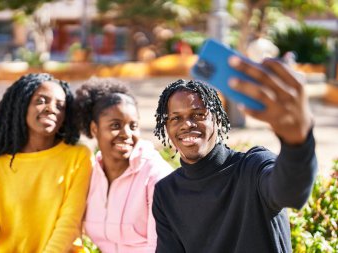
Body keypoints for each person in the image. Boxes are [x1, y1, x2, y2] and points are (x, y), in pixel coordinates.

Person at [152, 56, 317, 252]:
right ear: (167, 128)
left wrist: (297, 143)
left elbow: (291, 193)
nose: (187, 124)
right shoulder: (166, 192)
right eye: (176, 118)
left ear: (218, 120)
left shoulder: (253, 168)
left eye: (198, 115)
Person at [0, 73, 93, 253]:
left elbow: (69, 223)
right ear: (22, 105)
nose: (52, 109)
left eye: (60, 106)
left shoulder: (78, 157)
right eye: (41, 100)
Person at [74, 77, 172, 253]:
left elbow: (161, 246)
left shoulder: (155, 174)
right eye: (115, 125)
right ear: (94, 129)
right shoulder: (90, 173)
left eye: (133, 126)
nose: (127, 134)